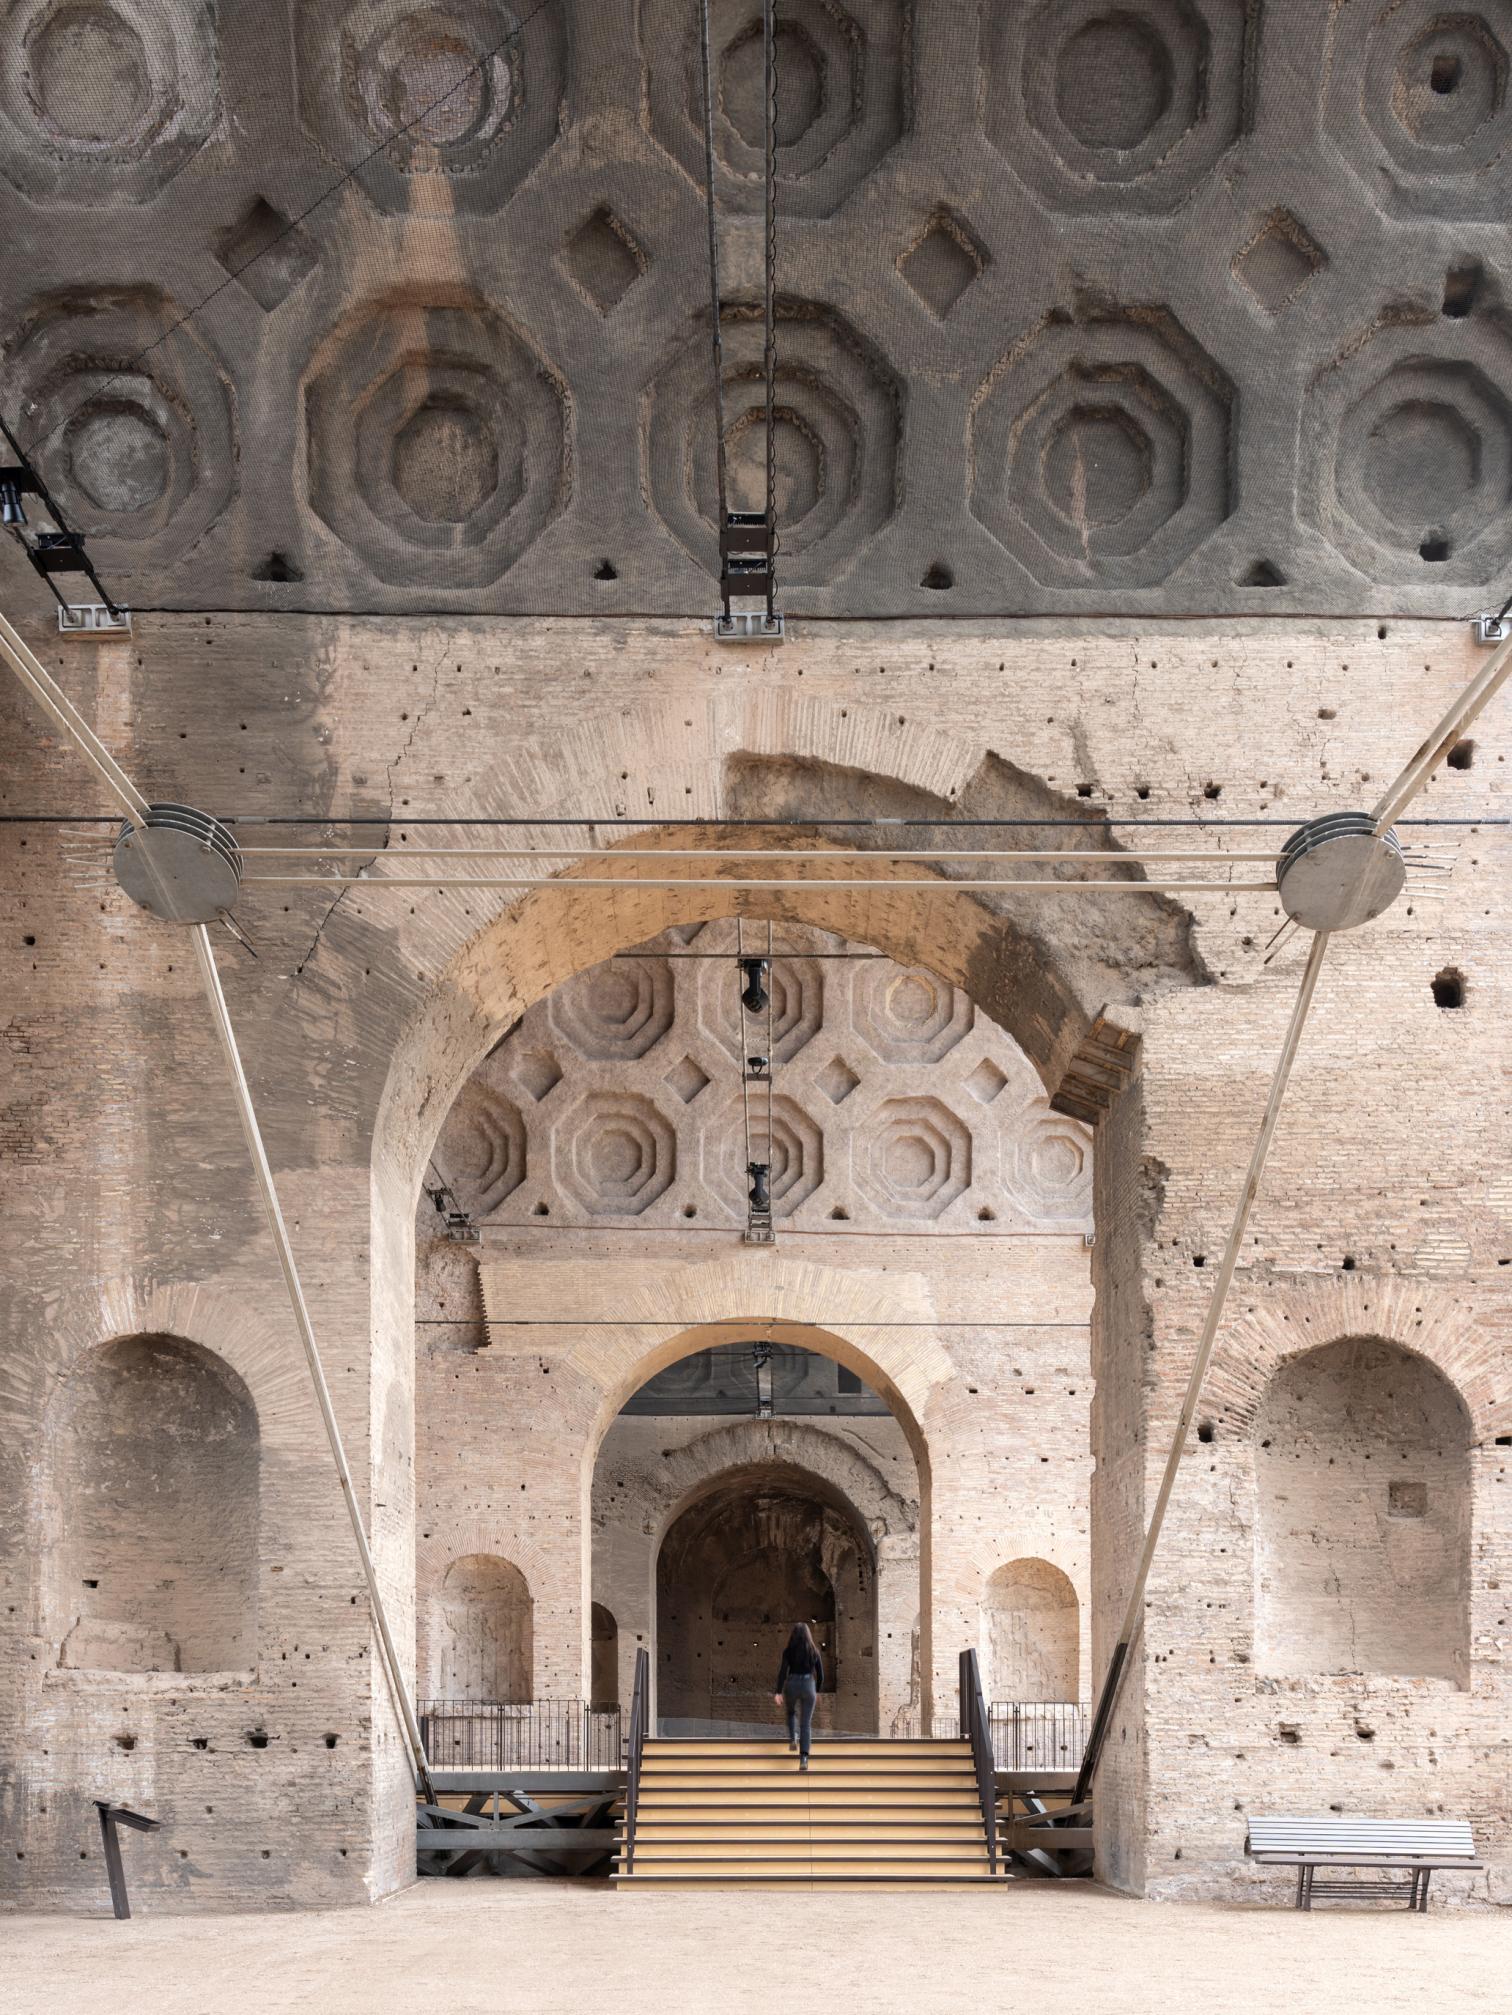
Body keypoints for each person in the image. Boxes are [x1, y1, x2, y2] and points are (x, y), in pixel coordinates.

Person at [773, 1621, 824, 1770]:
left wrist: (778, 1691)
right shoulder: (814, 1651)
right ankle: (803, 1759)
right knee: (806, 1723)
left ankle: (793, 1738)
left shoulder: (788, 1651)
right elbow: (821, 1675)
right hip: (809, 1685)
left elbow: (782, 1672)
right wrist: (818, 1691)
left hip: (792, 1683)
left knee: (791, 1712)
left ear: (793, 1635)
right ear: (808, 1634)